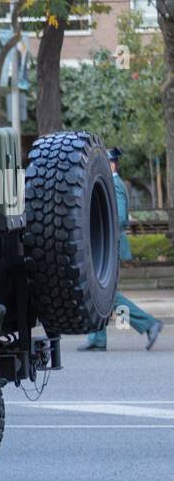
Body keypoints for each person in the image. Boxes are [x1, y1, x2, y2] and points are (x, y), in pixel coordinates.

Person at [79, 148, 164, 351]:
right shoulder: (109, 184)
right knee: (99, 293)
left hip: (111, 247)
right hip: (108, 247)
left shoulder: (114, 185)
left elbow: (119, 218)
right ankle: (97, 338)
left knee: (108, 296)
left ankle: (149, 324)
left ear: (112, 165)